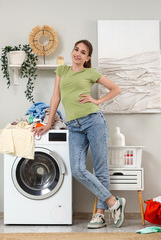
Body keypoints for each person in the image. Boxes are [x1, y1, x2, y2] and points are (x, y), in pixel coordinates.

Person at [32, 40, 124, 229]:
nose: (78, 54)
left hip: (94, 121)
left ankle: (99, 215)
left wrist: (97, 101)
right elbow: (55, 97)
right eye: (76, 50)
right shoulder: (62, 71)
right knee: (77, 169)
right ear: (72, 51)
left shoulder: (91, 73)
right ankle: (114, 202)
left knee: (100, 169)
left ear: (87, 58)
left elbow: (116, 89)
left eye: (83, 52)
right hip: (73, 126)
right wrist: (48, 123)